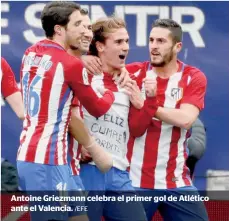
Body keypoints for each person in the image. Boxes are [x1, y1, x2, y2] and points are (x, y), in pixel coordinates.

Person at [17, 2, 116, 221]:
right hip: (47, 162)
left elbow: (61, 97)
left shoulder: (29, 53)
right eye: (78, 24)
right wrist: (110, 90)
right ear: (59, 29)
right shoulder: (71, 65)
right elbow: (97, 108)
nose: (85, 31)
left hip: (43, 157)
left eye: (87, 26)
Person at [70, 16, 158, 221]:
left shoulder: (129, 80)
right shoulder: (81, 73)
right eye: (118, 42)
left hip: (118, 172)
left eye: (126, 41)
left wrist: (146, 103)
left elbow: (136, 130)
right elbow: (63, 114)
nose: (125, 47)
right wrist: (80, 145)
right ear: (100, 46)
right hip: (86, 170)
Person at [126, 19, 208, 221]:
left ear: (177, 46)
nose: (153, 46)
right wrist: (85, 60)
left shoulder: (192, 77)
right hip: (135, 180)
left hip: (176, 181)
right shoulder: (131, 73)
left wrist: (147, 106)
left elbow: (186, 119)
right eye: (151, 40)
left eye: (161, 41)